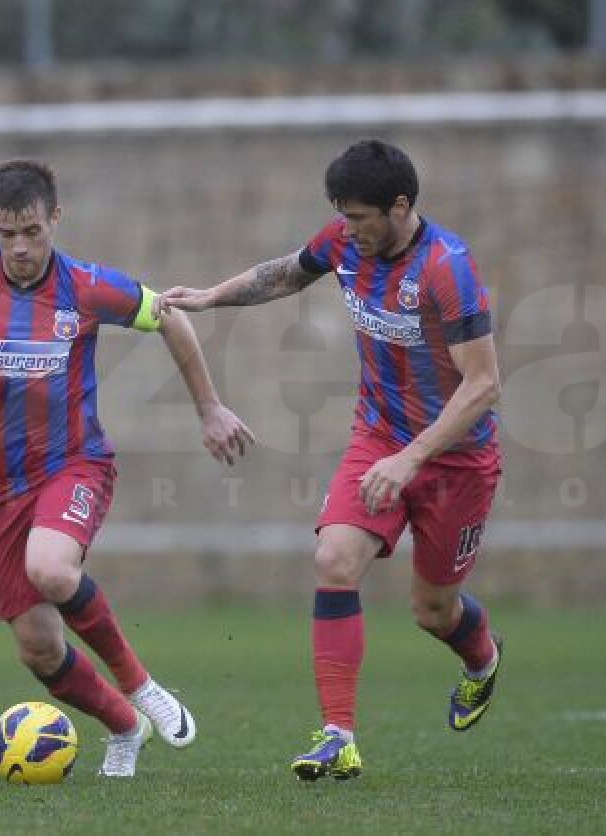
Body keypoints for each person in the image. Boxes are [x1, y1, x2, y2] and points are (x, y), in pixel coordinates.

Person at [0, 159, 255, 778]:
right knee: (39, 649)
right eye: (6, 234)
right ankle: (125, 728)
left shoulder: (87, 286)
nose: (20, 247)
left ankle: (141, 685)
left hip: (75, 464)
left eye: (32, 232)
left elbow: (172, 317)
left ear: (55, 218)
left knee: (49, 569)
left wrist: (209, 408)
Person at [156, 140, 503, 781]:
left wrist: (412, 459)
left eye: (360, 217)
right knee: (334, 560)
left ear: (400, 206)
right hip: (377, 437)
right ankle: (338, 736)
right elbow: (287, 271)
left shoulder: (446, 268)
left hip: (455, 458)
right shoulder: (345, 243)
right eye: (342, 216)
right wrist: (210, 297)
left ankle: (482, 658)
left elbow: (482, 385)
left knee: (433, 612)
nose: (348, 229)